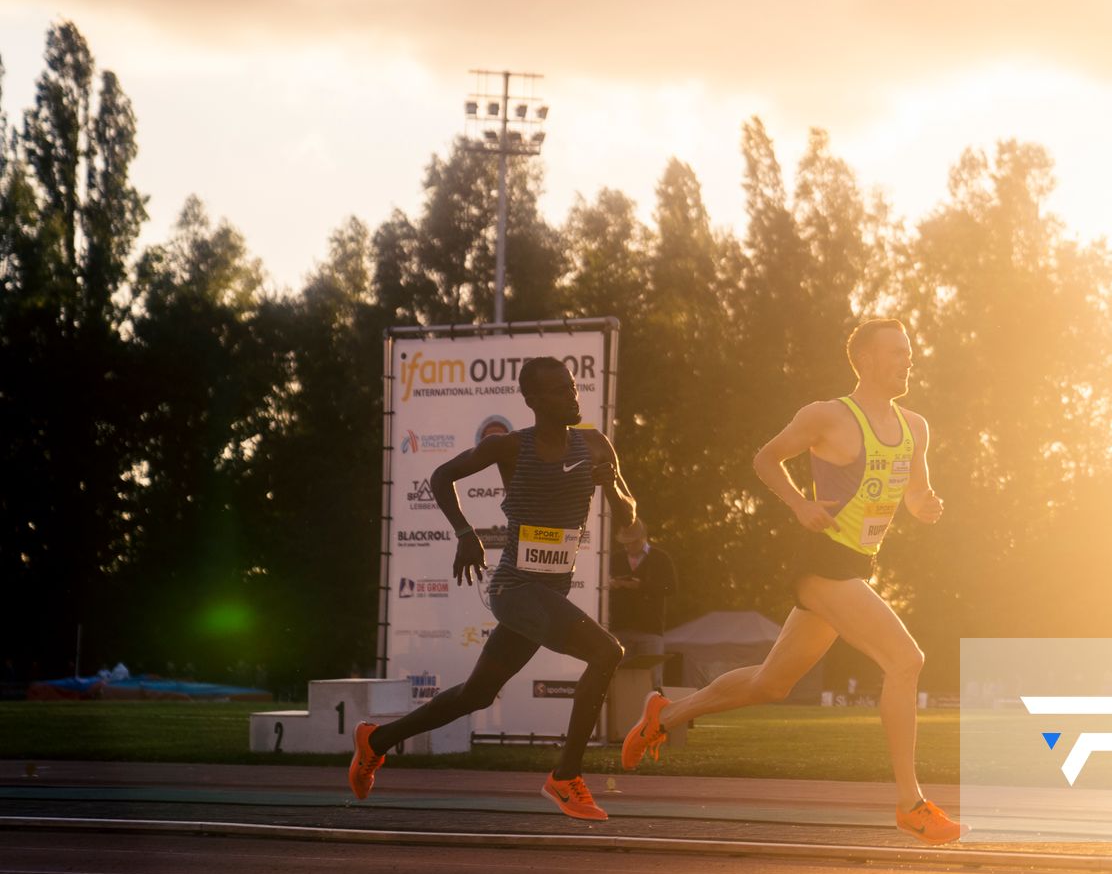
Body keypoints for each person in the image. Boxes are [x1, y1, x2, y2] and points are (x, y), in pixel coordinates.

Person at [621, 318, 966, 844]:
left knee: (771, 683)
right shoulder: (828, 416)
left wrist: (927, 506)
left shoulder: (915, 427)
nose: (907, 360)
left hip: (856, 567)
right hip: (822, 565)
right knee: (906, 660)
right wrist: (800, 504)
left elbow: (916, 495)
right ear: (867, 360)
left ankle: (665, 714)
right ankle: (910, 803)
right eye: (897, 352)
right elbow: (765, 459)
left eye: (909, 352)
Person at [349, 356, 636, 820]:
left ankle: (375, 740)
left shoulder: (596, 445)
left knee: (476, 696)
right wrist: (466, 534)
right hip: (514, 588)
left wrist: (615, 492)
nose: (572, 395)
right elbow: (441, 477)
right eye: (559, 390)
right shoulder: (510, 448)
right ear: (533, 400)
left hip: (550, 592)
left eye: (572, 387)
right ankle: (564, 778)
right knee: (608, 653)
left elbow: (629, 518)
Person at [608, 518, 676, 673]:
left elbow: (671, 588)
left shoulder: (661, 558)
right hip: (620, 628)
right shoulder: (615, 558)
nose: (628, 546)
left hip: (650, 630)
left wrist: (641, 586)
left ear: (642, 538)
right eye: (626, 543)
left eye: (632, 542)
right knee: (622, 677)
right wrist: (612, 584)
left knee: (652, 677)